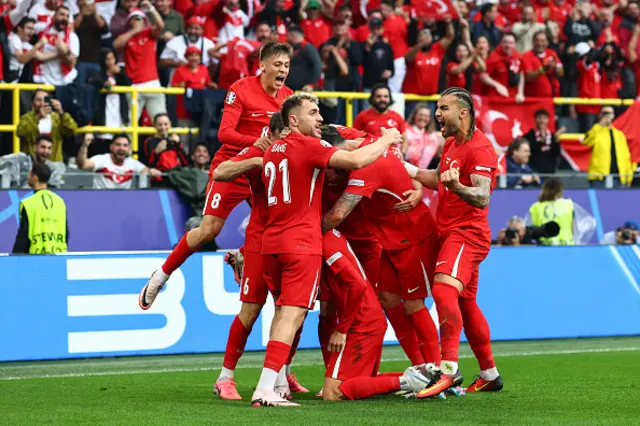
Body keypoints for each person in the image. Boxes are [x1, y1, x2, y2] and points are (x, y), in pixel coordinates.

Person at [251, 93, 402, 407]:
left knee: (282, 315)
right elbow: (356, 161)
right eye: (312, 112)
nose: (319, 118)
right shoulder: (306, 145)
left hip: (271, 242)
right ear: (293, 120)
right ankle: (265, 389)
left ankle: (275, 385)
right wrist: (386, 138)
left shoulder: (271, 152)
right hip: (300, 243)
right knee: (292, 317)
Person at [138, 42, 294, 311]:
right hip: (232, 167)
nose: (283, 70)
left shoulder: (289, 98)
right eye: (278, 64)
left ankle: (242, 256)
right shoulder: (241, 89)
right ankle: (160, 276)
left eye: (287, 66)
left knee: (278, 224)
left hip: (263, 172)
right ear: (263, 65)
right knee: (209, 230)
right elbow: (224, 133)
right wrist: (258, 142)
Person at [321, 123, 441, 375]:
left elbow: (336, 215)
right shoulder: (359, 139)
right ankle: (421, 368)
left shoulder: (363, 168)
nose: (330, 176)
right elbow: (390, 143)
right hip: (388, 240)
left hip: (413, 236)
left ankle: (438, 371)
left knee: (413, 305)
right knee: (387, 300)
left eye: (331, 169)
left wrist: (301, 231)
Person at [407, 87, 503, 397]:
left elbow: (482, 195)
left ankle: (448, 369)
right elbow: (438, 178)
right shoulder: (450, 143)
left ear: (463, 112)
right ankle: (489, 374)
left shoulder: (481, 149)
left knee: (443, 289)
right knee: (466, 301)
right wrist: (407, 169)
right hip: (449, 232)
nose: (437, 114)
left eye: (443, 108)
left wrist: (459, 186)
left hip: (467, 234)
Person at [211, 113, 306, 400]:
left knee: (291, 311)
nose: (290, 138)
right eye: (285, 134)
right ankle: (225, 377)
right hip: (259, 240)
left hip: (290, 240)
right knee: (251, 311)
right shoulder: (259, 150)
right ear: (273, 134)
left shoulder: (304, 149)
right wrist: (256, 160)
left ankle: (281, 375)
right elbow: (220, 172)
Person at [320, 229, 436, 401]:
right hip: (368, 319)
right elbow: (328, 305)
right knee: (355, 383)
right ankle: (423, 376)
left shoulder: (325, 242)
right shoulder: (329, 236)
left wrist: (342, 329)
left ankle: (408, 381)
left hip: (362, 322)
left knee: (333, 393)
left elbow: (357, 285)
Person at [113, 0, 167, 121]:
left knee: (161, 120)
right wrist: (134, 31)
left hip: (152, 83)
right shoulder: (126, 36)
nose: (138, 21)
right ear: (129, 21)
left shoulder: (149, 34)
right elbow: (116, 45)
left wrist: (150, 9)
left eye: (140, 18)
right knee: (130, 124)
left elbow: (160, 25)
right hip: (134, 86)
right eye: (135, 18)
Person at [12, 162, 68, 254]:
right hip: (59, 258)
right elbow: (66, 233)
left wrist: (15, 258)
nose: (28, 177)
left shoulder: (28, 203)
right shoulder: (60, 201)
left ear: (35, 177)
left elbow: (23, 235)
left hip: (36, 259)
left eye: (30, 174)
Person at [77, 133, 161, 189]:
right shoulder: (102, 159)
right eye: (118, 145)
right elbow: (83, 165)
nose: (121, 148)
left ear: (129, 149)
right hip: (100, 200)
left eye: (125, 145)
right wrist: (85, 145)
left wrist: (151, 171)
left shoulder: (132, 163)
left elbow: (147, 171)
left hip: (123, 202)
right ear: (111, 147)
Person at [16, 89, 78, 163]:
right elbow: (20, 133)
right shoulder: (27, 118)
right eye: (38, 100)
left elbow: (72, 130)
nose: (42, 103)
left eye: (45, 100)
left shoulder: (57, 118)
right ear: (32, 103)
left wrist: (62, 112)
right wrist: (38, 118)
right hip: (32, 165)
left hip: (54, 164)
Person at [583, 106, 636, 188]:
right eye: (605, 113)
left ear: (613, 115)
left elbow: (625, 156)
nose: (607, 116)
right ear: (600, 115)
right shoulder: (596, 131)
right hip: (599, 177)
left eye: (609, 113)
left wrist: (628, 178)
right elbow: (586, 141)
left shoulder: (619, 135)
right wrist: (600, 124)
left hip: (618, 177)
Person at [32, 6, 80, 86]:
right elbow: (34, 54)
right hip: (43, 80)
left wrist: (64, 54)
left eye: (67, 16)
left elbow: (71, 64)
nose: (64, 18)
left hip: (64, 82)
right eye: (61, 14)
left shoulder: (72, 37)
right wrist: (60, 52)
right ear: (54, 16)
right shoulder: (41, 32)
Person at [403, 23, 454, 97]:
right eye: (422, 35)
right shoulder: (413, 50)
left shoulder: (437, 49)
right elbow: (408, 58)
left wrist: (449, 23)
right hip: (413, 97)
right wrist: (421, 44)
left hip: (431, 96)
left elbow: (450, 37)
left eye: (428, 35)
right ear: (418, 38)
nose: (426, 37)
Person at [527, 178, 574, 246]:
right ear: (560, 190)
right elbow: (573, 229)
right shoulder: (569, 204)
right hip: (566, 245)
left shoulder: (535, 207)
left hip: (544, 246)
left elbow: (530, 230)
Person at [480, 32, 525, 102]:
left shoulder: (517, 56)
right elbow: (483, 76)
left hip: (513, 98)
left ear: (515, 45)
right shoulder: (494, 56)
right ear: (501, 43)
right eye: (505, 42)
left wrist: (520, 93)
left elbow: (521, 73)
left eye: (511, 43)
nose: (508, 45)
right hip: (496, 97)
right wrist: (497, 85)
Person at [521, 30, 564, 98]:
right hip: (533, 99)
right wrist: (542, 70)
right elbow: (527, 77)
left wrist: (555, 67)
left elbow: (561, 73)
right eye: (537, 40)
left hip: (552, 98)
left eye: (543, 41)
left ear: (547, 42)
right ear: (533, 42)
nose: (540, 43)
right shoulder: (526, 56)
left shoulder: (552, 53)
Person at [522, 109, 562, 174]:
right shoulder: (528, 136)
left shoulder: (552, 136)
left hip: (550, 172)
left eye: (544, 118)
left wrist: (556, 141)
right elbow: (528, 153)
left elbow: (557, 153)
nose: (542, 121)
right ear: (535, 119)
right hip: (533, 172)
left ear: (548, 120)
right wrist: (540, 142)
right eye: (539, 117)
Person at [284, 25, 323, 91]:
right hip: (291, 89)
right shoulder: (293, 48)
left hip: (304, 90)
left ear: (293, 35)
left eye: (288, 36)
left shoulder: (307, 47)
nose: (286, 38)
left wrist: (311, 84)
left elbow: (318, 65)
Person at [404, 103, 443, 168]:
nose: (423, 118)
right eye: (420, 115)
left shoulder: (433, 135)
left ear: (430, 119)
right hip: (407, 168)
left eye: (426, 116)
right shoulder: (405, 131)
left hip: (426, 172)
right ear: (414, 116)